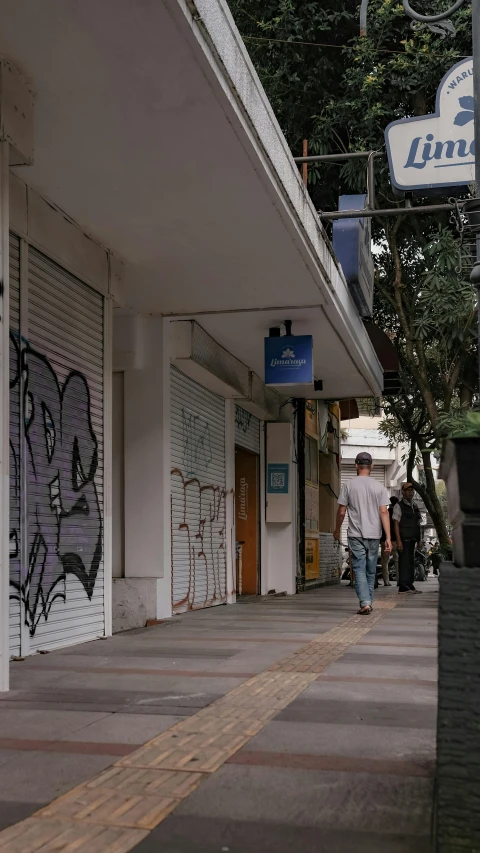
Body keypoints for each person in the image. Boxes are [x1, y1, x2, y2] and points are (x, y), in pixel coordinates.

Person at [334, 452, 392, 616]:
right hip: (374, 535)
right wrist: (388, 537)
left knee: (359, 568)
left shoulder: (348, 485)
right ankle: (368, 602)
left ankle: (365, 603)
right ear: (372, 466)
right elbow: (384, 512)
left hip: (356, 535)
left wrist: (337, 529)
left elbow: (341, 512)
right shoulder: (379, 487)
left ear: (356, 465)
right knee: (370, 570)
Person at [393, 483, 423, 594]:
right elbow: (396, 523)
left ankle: (410, 585)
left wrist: (419, 540)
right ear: (403, 492)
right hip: (404, 539)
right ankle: (403, 587)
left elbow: (418, 524)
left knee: (410, 562)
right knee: (404, 563)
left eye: (412, 490)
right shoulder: (398, 506)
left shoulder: (414, 506)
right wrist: (399, 541)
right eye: (408, 490)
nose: (411, 492)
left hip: (412, 539)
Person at [380, 496, 399, 586]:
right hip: (395, 539)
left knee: (385, 561)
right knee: (397, 561)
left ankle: (386, 581)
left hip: (384, 539)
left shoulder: (384, 513)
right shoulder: (397, 513)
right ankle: (399, 580)